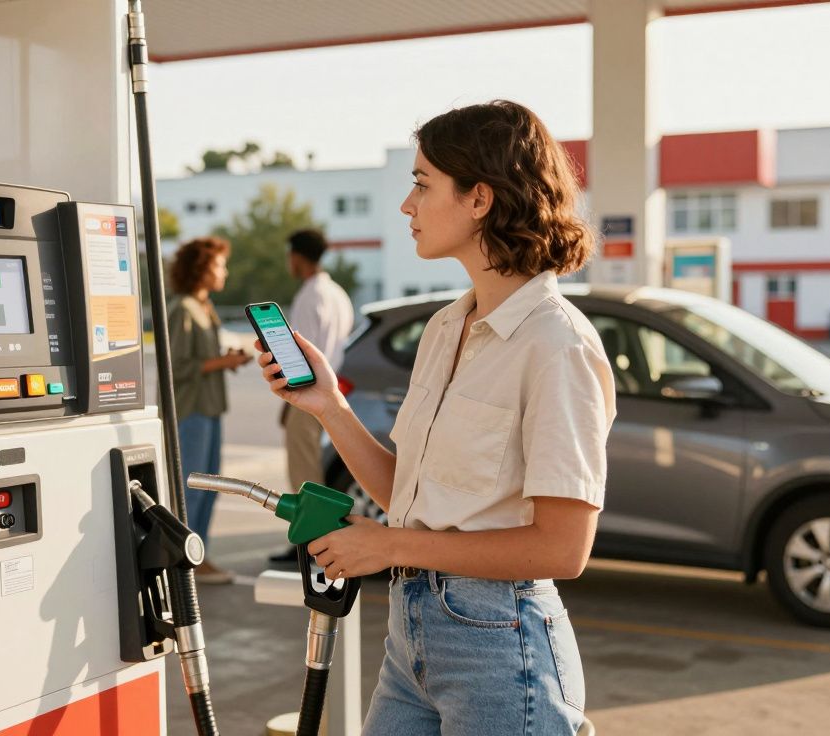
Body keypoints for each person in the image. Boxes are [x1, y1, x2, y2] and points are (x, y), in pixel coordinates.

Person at [252, 101, 615, 735]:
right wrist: (329, 406)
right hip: (411, 632)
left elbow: (563, 549)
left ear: (480, 198)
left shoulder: (557, 346)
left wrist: (387, 544)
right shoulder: (446, 329)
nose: (407, 205)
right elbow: (408, 495)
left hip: (501, 645)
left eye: (422, 184)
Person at [168, 236, 252, 584]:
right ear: (201, 269)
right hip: (192, 410)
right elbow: (176, 366)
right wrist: (223, 361)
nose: (225, 271)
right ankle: (186, 560)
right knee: (193, 487)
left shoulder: (204, 307)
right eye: (219, 264)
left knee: (209, 484)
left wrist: (223, 361)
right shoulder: (182, 309)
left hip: (210, 408)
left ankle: (197, 555)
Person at [268, 229, 353, 564]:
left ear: (296, 257)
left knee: (305, 473)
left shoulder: (309, 295)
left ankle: (309, 543)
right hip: (331, 391)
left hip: (306, 391)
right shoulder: (338, 294)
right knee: (317, 468)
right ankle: (318, 540)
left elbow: (296, 352)